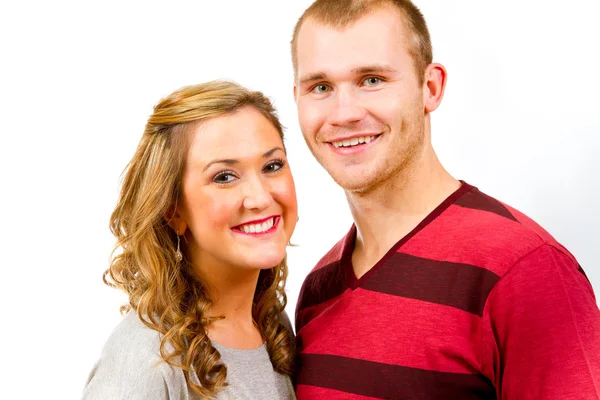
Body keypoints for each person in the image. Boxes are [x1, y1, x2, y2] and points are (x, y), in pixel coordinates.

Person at [291, 1, 600, 399]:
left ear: (430, 87)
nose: (344, 113)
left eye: (372, 80)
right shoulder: (318, 290)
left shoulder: (524, 270)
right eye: (321, 87)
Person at [82, 80, 298, 400]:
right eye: (224, 177)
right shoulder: (145, 361)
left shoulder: (271, 323)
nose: (260, 197)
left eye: (272, 165)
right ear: (173, 211)